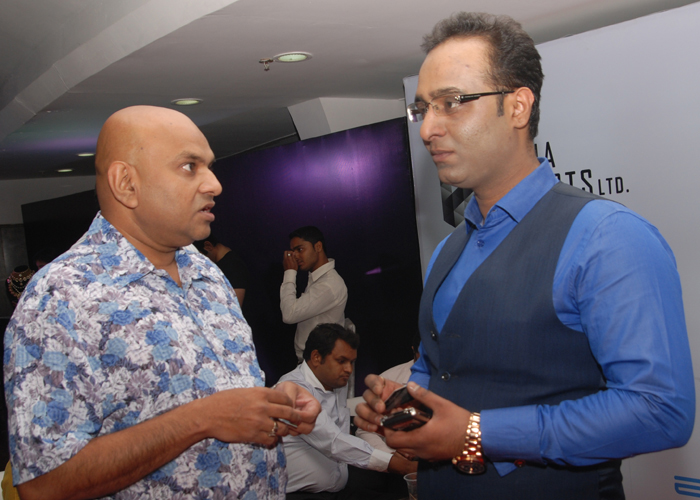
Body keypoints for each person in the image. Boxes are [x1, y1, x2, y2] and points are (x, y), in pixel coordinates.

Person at [355, 12, 695, 500]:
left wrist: (478, 433)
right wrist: (407, 404)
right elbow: (441, 370)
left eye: (452, 103)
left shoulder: (607, 237)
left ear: (517, 107)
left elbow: (659, 411)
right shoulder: (450, 248)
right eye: (423, 108)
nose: (428, 128)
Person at [3, 105, 321, 500]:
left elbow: (221, 395)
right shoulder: (61, 298)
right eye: (190, 166)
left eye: (209, 166)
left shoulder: (207, 274)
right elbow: (44, 485)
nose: (215, 184)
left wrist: (273, 405)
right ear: (126, 183)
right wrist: (199, 420)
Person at [278, 324, 416, 499]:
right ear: (316, 357)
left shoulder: (336, 383)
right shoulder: (292, 389)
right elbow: (334, 442)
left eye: (351, 362)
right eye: (341, 361)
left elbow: (343, 433)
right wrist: (396, 463)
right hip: (299, 495)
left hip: (338, 489)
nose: (349, 370)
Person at [281, 226, 348, 362]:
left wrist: (289, 273)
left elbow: (289, 314)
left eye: (300, 249)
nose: (295, 256)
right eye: (293, 251)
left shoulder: (328, 284)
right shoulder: (318, 278)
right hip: (316, 361)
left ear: (318, 247)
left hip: (321, 363)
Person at [194, 233, 250, 305]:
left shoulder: (233, 266)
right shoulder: (224, 264)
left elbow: (235, 305)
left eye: (201, 256)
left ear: (208, 246)